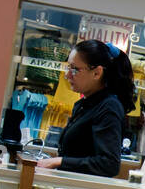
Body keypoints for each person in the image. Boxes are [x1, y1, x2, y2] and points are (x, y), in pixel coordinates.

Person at [36, 38, 135, 178]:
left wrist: (60, 161)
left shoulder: (108, 107)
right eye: (68, 67)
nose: (67, 74)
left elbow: (109, 164)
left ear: (97, 73)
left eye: (74, 69)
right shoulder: (85, 104)